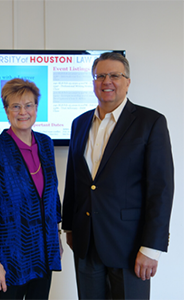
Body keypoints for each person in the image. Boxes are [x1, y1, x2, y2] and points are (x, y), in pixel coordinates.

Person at [62, 52, 174, 300]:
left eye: (114, 75)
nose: (106, 81)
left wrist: (152, 247)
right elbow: (75, 179)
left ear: (128, 81)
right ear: (93, 82)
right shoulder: (79, 124)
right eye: (100, 76)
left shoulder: (150, 122)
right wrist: (69, 226)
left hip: (130, 246)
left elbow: (161, 188)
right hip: (86, 242)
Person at [0, 78, 62, 300]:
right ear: (6, 110)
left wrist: (56, 237)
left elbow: (52, 196)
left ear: (36, 108)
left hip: (44, 250)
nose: (23, 111)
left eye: (29, 105)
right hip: (10, 256)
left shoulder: (45, 143)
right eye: (15, 106)